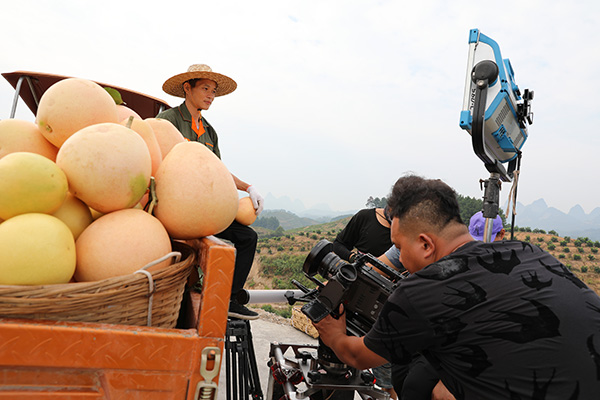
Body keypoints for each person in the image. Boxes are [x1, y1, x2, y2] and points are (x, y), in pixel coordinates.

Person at [314, 174, 600, 399]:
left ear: (425, 244)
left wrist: (334, 334)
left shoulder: (422, 290)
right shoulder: (528, 251)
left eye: (399, 247)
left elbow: (358, 355)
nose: (399, 257)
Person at [157, 64, 263, 320]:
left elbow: (219, 171)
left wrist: (247, 187)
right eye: (205, 89)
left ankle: (231, 300)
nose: (210, 96)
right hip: (174, 208)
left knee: (247, 237)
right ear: (187, 88)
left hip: (203, 211)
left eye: (213, 91)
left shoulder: (210, 132)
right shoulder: (167, 121)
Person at [333, 207, 395, 398]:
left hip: (388, 305)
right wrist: (353, 258)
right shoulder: (365, 217)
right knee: (342, 366)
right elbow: (338, 245)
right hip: (357, 297)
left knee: (386, 374)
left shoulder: (407, 232)